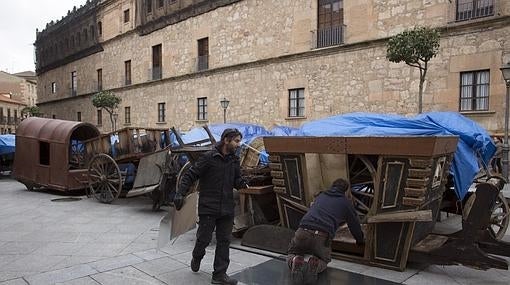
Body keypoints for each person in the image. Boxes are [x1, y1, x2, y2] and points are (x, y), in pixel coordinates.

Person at [173, 128, 248, 285]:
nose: (238, 144)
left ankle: (219, 274)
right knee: (204, 239)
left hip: (227, 207)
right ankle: (197, 255)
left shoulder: (234, 160)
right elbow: (190, 174)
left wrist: (243, 183)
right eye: (236, 141)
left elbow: (237, 180)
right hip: (209, 207)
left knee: (224, 241)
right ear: (226, 140)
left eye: (239, 141)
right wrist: (180, 193)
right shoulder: (208, 158)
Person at [287, 178, 364, 284]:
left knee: (293, 251)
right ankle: (316, 264)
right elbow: (354, 225)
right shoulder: (346, 203)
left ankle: (295, 260)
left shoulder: (321, 196)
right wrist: (360, 241)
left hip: (303, 230)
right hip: (322, 236)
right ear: (345, 191)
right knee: (324, 259)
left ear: (332, 186)